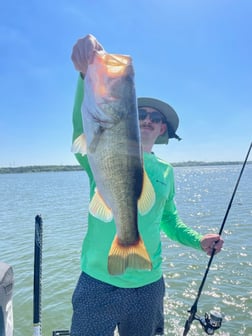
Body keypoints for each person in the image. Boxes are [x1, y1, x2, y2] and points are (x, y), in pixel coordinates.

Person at [70, 34, 224, 336]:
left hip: (148, 285)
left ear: (163, 128)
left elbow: (169, 220)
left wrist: (198, 241)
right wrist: (84, 75)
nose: (148, 119)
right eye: (140, 113)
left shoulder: (166, 171)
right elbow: (82, 126)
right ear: (129, 116)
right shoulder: (98, 153)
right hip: (96, 283)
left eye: (156, 117)